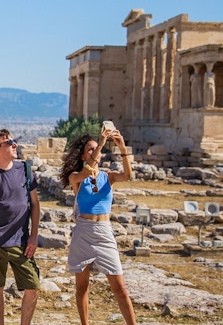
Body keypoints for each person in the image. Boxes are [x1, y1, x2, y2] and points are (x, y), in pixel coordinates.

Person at [58, 127, 137, 325]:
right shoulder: (76, 177)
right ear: (83, 155)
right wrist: (101, 142)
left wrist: (122, 147)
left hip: (104, 232)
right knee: (81, 287)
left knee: (120, 288)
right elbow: (86, 171)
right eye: (90, 150)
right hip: (83, 232)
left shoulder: (108, 176)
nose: (95, 152)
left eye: (96, 149)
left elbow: (128, 175)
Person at [0, 129, 40, 325]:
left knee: (33, 286)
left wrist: (34, 235)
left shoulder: (26, 170)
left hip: (21, 242)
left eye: (13, 141)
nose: (14, 145)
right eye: (9, 142)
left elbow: (35, 204)